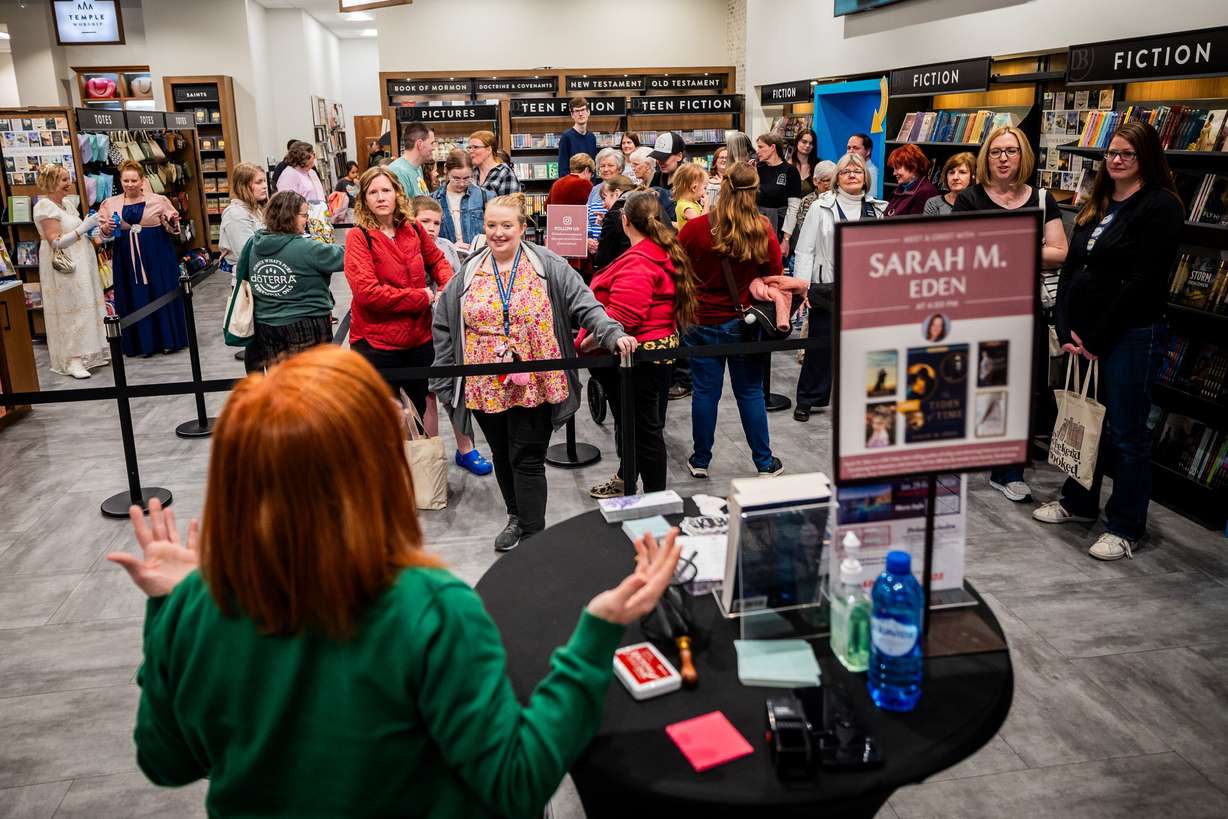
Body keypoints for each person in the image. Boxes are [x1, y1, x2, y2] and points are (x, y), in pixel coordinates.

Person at [107, 345, 681, 819]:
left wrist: (167, 612)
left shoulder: (197, 604)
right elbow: (516, 780)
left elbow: (168, 762)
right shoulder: (429, 609)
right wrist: (595, 636)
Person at [431, 193, 636, 552]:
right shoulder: (469, 272)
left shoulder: (548, 264)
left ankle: (532, 536)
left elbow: (584, 304)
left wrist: (613, 333)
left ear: (522, 228)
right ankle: (515, 517)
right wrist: (446, 376)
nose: (498, 233)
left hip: (538, 380)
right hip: (484, 384)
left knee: (526, 457)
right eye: (491, 225)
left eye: (506, 225)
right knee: (501, 454)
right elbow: (444, 324)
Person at [1035, 120, 1184, 561]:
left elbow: (1142, 283)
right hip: (1084, 336)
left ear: (1146, 159)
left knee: (1126, 432)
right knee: (1086, 423)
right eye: (1112, 153)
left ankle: (1125, 526)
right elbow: (1073, 268)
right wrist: (1064, 325)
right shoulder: (1097, 202)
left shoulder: (1160, 207)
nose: (1116, 160)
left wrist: (1097, 336)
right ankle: (1078, 502)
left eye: (1127, 154)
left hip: (1132, 335)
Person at [953, 125, 1068, 504]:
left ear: (1024, 157)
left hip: (1026, 308)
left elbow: (1061, 251)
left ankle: (1008, 471)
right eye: (997, 151)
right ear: (986, 157)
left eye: (1012, 151)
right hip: (978, 307)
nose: (1004, 158)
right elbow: (965, 251)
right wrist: (1028, 246)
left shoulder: (1041, 198)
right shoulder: (970, 198)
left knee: (1020, 389)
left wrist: (1006, 247)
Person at [583, 190, 696, 499]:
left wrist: (587, 343)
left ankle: (655, 499)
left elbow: (623, 318)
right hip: (650, 354)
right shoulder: (659, 251)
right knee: (639, 427)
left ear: (624, 221)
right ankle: (626, 480)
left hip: (636, 359)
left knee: (645, 431)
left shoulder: (640, 261)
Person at [678, 162, 785, 477]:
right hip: (743, 322)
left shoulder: (695, 228)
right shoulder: (761, 227)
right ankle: (764, 463)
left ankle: (700, 460)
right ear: (754, 192)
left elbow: (679, 271)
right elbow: (774, 275)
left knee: (704, 392)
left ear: (721, 188)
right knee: (750, 392)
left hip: (700, 321)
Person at [344, 166, 453, 417]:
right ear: (364, 199)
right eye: (373, 192)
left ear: (397, 194)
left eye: (386, 190)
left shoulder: (412, 229)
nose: (381, 197)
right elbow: (367, 293)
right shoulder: (359, 237)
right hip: (376, 342)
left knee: (419, 409)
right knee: (383, 416)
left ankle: (418, 457)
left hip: (418, 338)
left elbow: (438, 261)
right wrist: (421, 297)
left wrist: (446, 288)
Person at [792, 152, 886, 421]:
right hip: (827, 286)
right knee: (820, 347)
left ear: (865, 177)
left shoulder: (878, 209)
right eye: (846, 171)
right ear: (836, 179)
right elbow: (805, 250)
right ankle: (809, 399)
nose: (852, 174)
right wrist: (803, 286)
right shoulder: (820, 207)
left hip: (865, 290)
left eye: (857, 170)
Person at [412, 196, 494, 478]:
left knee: (455, 394)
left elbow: (459, 285)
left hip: (448, 334)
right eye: (424, 222)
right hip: (417, 334)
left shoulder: (445, 247)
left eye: (436, 223)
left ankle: (466, 448)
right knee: (426, 397)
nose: (431, 228)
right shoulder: (405, 250)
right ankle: (431, 453)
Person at [238, 191, 343, 374]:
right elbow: (347, 256)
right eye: (304, 215)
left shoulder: (253, 244)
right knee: (312, 383)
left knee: (279, 382)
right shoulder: (307, 248)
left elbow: (242, 274)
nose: (307, 220)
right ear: (290, 216)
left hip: (266, 325)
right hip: (306, 323)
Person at [98, 160, 188, 357]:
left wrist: (171, 222)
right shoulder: (109, 203)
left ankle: (167, 340)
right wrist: (106, 229)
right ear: (120, 181)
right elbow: (102, 234)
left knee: (160, 291)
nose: (129, 184)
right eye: (125, 180)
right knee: (134, 294)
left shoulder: (158, 200)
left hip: (157, 255)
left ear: (142, 181)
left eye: (134, 180)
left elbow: (173, 227)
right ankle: (141, 344)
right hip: (126, 258)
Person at [32, 163, 107, 379]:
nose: (69, 183)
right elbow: (55, 242)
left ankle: (85, 352)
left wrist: (95, 230)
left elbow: (75, 230)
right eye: (64, 179)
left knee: (82, 305)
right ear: (52, 182)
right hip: (64, 266)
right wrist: (84, 227)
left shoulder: (66, 204)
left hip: (81, 263)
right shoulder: (45, 207)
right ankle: (72, 359)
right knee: (69, 308)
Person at [431, 149, 491, 251]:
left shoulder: (485, 196)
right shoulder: (433, 200)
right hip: (447, 258)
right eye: (456, 178)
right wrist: (450, 247)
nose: (462, 183)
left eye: (467, 178)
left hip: (477, 257)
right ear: (446, 170)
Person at [755, 133, 802, 257]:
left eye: (761, 147)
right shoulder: (757, 168)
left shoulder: (790, 171)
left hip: (782, 227)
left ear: (772, 148)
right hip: (759, 227)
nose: (757, 151)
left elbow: (793, 207)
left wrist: (786, 240)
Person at [219, 162, 268, 275]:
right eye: (259, 182)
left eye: (264, 181)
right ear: (243, 186)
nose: (265, 186)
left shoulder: (256, 209)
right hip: (247, 279)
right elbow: (247, 253)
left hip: (259, 273)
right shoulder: (235, 214)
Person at [592, 174, 638, 271]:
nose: (604, 205)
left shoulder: (614, 214)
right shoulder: (643, 204)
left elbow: (604, 255)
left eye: (605, 198)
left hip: (622, 269)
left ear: (616, 193)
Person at [587, 148, 626, 255]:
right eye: (602, 166)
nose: (606, 169)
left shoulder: (626, 188)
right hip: (594, 250)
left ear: (620, 168)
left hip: (616, 250)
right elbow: (586, 218)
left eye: (610, 165)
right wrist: (588, 240)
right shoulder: (595, 190)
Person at [885, 143, 940, 217]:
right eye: (893, 168)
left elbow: (915, 226)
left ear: (913, 166)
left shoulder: (926, 192)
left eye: (897, 168)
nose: (894, 173)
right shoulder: (900, 189)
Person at [467, 129, 521, 196]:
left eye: (475, 147)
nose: (471, 151)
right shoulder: (471, 172)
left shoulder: (505, 173)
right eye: (469, 148)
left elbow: (510, 204)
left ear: (489, 149)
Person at [389, 122, 435, 199]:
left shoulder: (417, 168)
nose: (433, 148)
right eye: (432, 143)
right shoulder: (398, 172)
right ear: (420, 144)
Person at [557, 97, 597, 175]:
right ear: (572, 115)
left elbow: (593, 166)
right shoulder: (566, 137)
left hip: (590, 185)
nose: (580, 114)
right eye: (577, 111)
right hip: (573, 185)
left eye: (583, 110)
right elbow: (563, 169)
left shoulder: (592, 137)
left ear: (588, 112)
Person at [796, 159, 837, 230]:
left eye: (834, 180)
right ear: (815, 181)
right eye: (827, 180)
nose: (831, 184)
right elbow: (803, 228)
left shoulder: (840, 198)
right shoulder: (807, 201)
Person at [671, 163, 708, 227]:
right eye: (704, 188)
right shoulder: (686, 207)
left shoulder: (693, 202)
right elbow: (702, 225)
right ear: (694, 188)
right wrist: (706, 205)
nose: (705, 192)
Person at [789, 128, 819, 197]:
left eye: (811, 143)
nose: (807, 145)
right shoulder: (786, 165)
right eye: (804, 142)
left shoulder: (818, 165)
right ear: (797, 142)